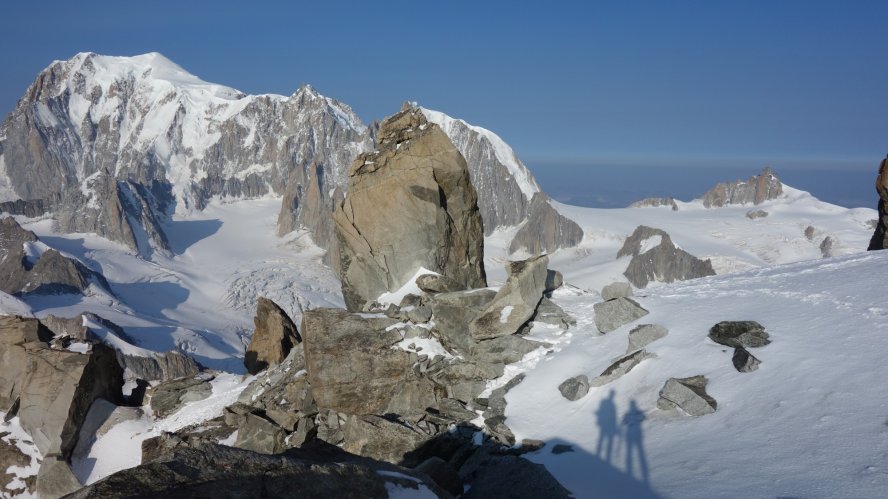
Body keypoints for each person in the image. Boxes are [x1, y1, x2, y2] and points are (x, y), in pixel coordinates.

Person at [622, 399, 650, 483]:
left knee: (631, 452)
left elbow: (624, 422)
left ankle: (629, 470)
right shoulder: (633, 413)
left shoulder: (629, 414)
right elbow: (643, 418)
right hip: (634, 434)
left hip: (632, 435)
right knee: (637, 451)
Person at [595, 389, 619, 462]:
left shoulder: (610, 404)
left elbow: (614, 415)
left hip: (609, 424)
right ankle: (598, 454)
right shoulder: (606, 403)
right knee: (603, 438)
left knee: (607, 439)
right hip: (604, 424)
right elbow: (601, 412)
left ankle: (606, 455)